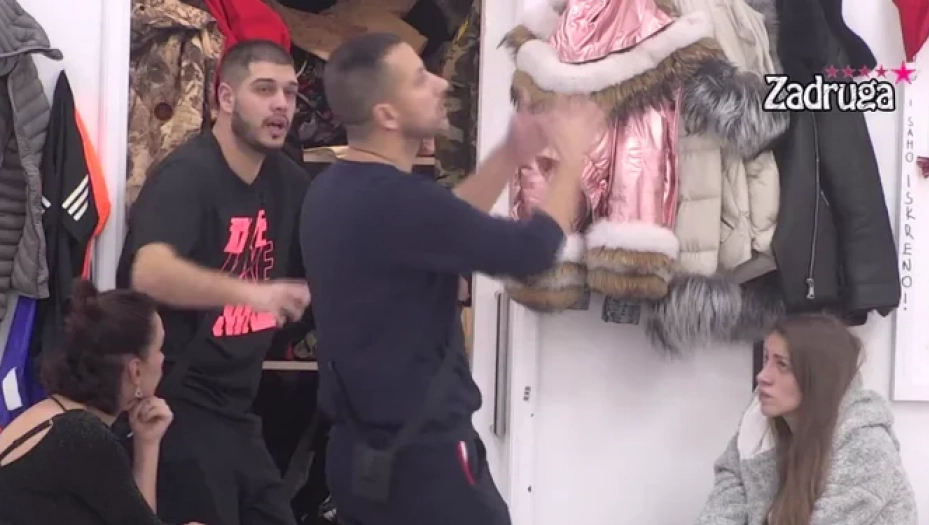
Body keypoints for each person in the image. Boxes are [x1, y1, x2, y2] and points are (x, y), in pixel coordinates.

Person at [300, 32, 602, 525]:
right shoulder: (402, 201)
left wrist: (509, 155)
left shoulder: (330, 191)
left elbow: (443, 225)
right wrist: (572, 160)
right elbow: (531, 252)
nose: (441, 83)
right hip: (424, 466)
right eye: (420, 79)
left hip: (358, 459)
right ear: (387, 115)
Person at [117, 39, 312, 525]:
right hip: (176, 405)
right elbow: (149, 271)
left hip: (240, 407)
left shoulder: (289, 183)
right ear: (225, 98)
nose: (281, 105)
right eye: (264, 89)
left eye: (290, 92)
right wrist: (251, 292)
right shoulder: (188, 176)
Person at [0, 279, 192, 525]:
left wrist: (147, 443)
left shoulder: (57, 416)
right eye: (159, 348)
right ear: (136, 371)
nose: (163, 359)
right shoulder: (82, 435)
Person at [694, 314, 917, 525]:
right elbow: (730, 489)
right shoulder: (758, 424)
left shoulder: (866, 447)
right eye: (766, 359)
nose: (762, 376)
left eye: (782, 365)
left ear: (817, 377)